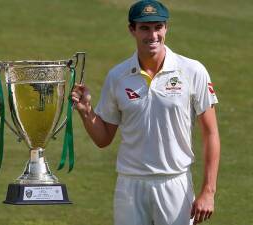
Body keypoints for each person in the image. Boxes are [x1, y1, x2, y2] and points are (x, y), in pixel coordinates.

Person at [71, 1, 220, 225]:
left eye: (158, 27)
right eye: (145, 28)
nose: (153, 35)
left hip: (174, 183)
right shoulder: (118, 76)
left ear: (166, 28)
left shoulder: (192, 71)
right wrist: (86, 111)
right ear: (132, 30)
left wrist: (208, 191)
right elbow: (103, 139)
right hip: (130, 186)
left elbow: (211, 134)